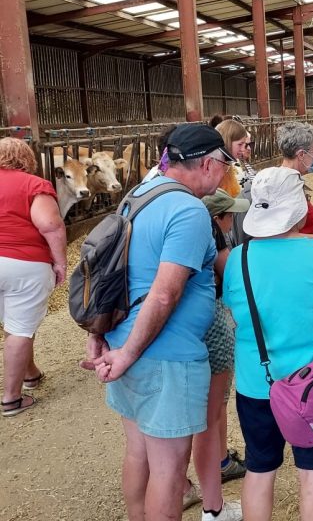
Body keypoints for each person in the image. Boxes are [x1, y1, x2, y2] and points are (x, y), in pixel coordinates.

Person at [82, 123, 234, 520]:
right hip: (166, 356)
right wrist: (130, 352)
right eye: (224, 166)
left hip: (123, 343)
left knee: (139, 452)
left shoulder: (139, 195)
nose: (225, 176)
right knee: (168, 470)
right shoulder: (188, 210)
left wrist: (104, 337)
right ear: (207, 163)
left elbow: (113, 272)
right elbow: (165, 292)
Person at [222, 166, 313, 521]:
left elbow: (236, 316)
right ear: (298, 207)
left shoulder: (238, 260)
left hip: (258, 384)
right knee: (312, 472)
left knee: (259, 469)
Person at [190, 189, 249, 521]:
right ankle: (213, 508)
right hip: (213, 326)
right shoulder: (214, 245)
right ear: (217, 219)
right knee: (209, 417)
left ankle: (201, 484)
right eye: (227, 215)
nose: (232, 221)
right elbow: (233, 276)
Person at [0, 138, 67, 417]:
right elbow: (50, 225)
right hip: (23, 262)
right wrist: (60, 261)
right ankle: (11, 398)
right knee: (21, 327)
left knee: (14, 322)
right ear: (27, 158)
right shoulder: (33, 185)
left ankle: (30, 374)